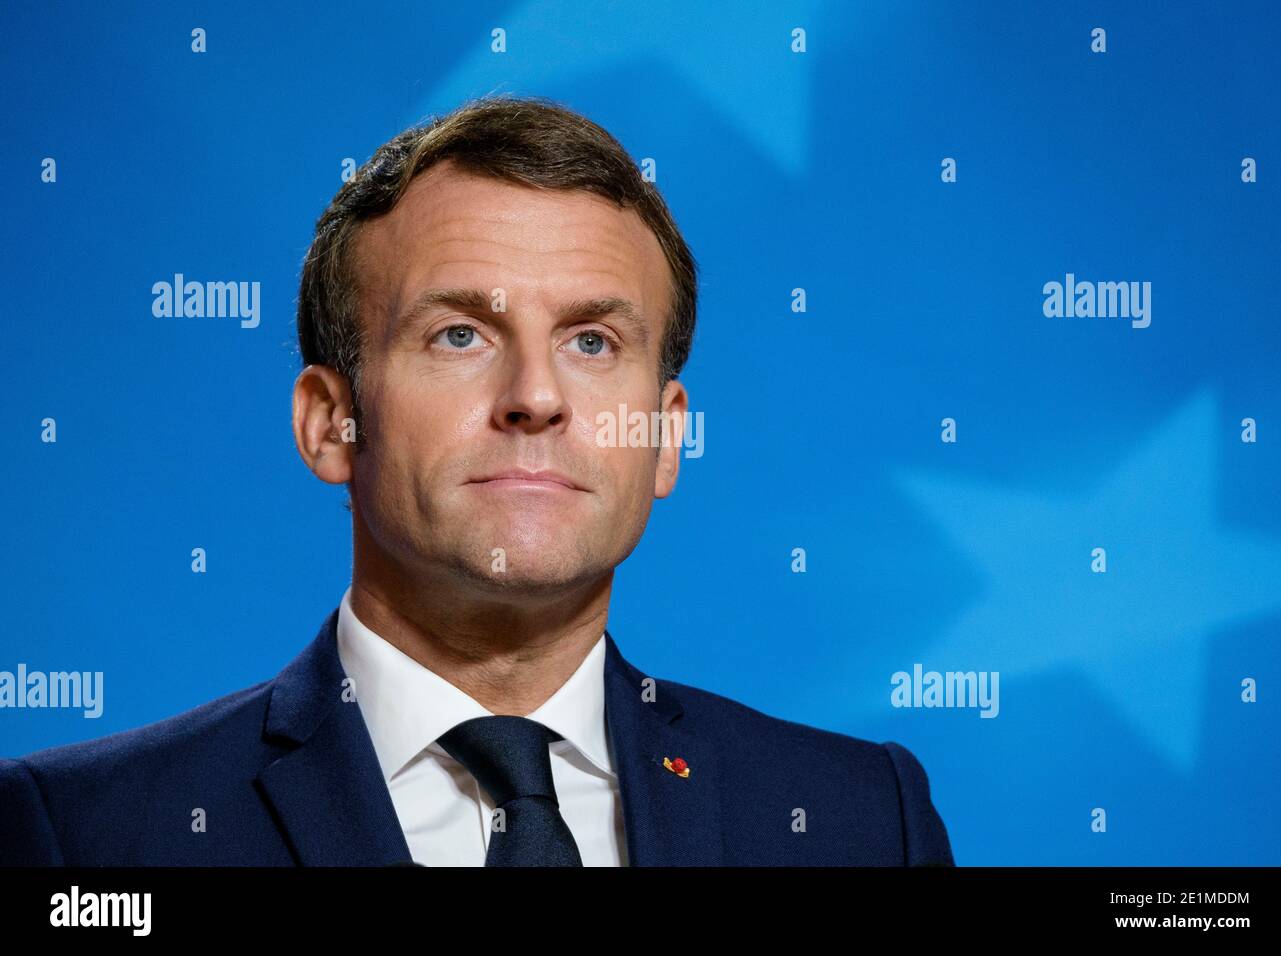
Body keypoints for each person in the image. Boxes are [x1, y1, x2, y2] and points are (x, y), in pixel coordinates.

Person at [0, 95, 954, 866]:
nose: (535, 398)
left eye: (592, 341)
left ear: (666, 440)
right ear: (330, 422)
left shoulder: (861, 822)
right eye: (459, 335)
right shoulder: (77, 833)